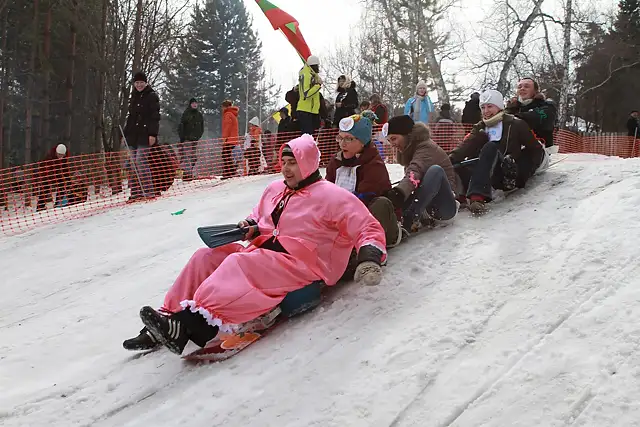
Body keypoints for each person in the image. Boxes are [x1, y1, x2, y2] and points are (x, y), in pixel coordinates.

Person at [123, 134, 386, 355]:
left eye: (292, 163)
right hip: (265, 250)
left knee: (240, 263)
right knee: (205, 256)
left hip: (305, 263)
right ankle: (168, 318)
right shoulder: (276, 188)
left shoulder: (332, 196)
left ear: (307, 163)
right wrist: (249, 225)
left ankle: (191, 324)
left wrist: (369, 258)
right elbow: (260, 215)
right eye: (283, 162)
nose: (286, 169)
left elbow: (367, 226)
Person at [449, 89, 545, 216]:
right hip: (486, 170)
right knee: (460, 162)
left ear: (499, 107)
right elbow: (465, 147)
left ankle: (477, 197)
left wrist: (524, 172)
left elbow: (535, 150)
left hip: (506, 171)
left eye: (490, 106)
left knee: (490, 147)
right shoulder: (481, 127)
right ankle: (458, 195)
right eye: (483, 107)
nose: (486, 111)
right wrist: (448, 160)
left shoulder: (515, 124)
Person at [325, 112, 400, 247]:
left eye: (349, 139)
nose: (342, 143)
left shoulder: (373, 165)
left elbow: (360, 203)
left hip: (373, 222)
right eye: (340, 138)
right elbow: (326, 191)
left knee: (380, 203)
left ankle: (367, 247)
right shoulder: (336, 162)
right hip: (342, 221)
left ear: (362, 141)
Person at [382, 115, 459, 234]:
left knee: (435, 170)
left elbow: (415, 170)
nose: (392, 144)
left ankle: (411, 218)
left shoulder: (426, 147)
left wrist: (400, 193)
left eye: (394, 138)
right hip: (428, 205)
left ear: (407, 135)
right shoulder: (411, 151)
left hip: (445, 207)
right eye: (389, 140)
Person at [122, 71, 160, 202]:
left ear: (146, 83)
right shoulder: (134, 97)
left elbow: (155, 117)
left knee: (140, 161)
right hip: (133, 135)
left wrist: (152, 134)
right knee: (132, 163)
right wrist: (125, 134)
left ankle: (148, 191)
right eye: (137, 83)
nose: (139, 85)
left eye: (141, 83)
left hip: (145, 135)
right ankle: (135, 192)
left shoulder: (152, 96)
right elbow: (131, 117)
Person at [505, 77, 557, 147]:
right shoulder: (512, 108)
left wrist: (513, 117)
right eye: (519, 87)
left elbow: (537, 118)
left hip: (538, 148)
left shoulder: (546, 105)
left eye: (526, 86)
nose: (522, 88)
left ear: (535, 91)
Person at [35, 143, 71, 211]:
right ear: (56, 153)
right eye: (59, 155)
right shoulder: (49, 157)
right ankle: (40, 207)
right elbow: (44, 168)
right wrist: (51, 178)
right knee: (45, 189)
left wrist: (68, 179)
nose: (61, 157)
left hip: (56, 172)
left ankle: (58, 203)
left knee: (62, 185)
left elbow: (65, 168)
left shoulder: (65, 157)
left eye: (62, 155)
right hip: (46, 174)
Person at [177, 98, 204, 181]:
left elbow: (201, 127)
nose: (195, 104)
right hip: (187, 139)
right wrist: (183, 138)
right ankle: (187, 174)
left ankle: (189, 172)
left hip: (195, 139)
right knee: (187, 157)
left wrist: (198, 136)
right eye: (193, 103)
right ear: (190, 104)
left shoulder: (199, 115)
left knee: (193, 157)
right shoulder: (186, 113)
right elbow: (181, 126)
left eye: (196, 103)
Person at [297, 55, 322, 135]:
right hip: (305, 110)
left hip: (311, 110)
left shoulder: (311, 74)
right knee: (307, 136)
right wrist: (318, 85)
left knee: (312, 135)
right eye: (317, 65)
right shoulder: (307, 75)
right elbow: (306, 93)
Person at [221, 100, 239, 179]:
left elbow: (227, 128)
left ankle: (229, 172)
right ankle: (230, 171)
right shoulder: (233, 114)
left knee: (225, 155)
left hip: (229, 139)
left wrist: (224, 138)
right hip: (233, 138)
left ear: (225, 106)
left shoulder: (227, 114)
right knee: (227, 155)